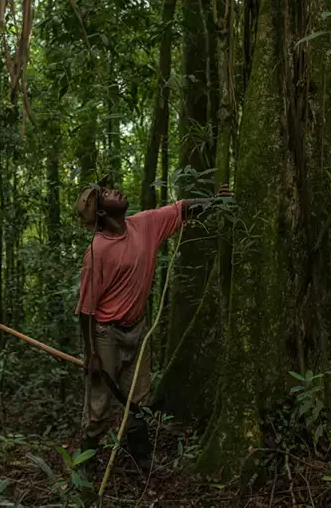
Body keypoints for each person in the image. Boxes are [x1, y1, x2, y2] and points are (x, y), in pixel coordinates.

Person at [74, 180, 233, 471]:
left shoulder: (143, 224)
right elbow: (85, 311)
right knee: (99, 405)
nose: (116, 190)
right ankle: (83, 466)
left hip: (138, 328)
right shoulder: (97, 252)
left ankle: (142, 461)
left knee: (139, 398)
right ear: (100, 213)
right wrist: (91, 354)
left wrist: (215, 202)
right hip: (106, 334)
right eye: (107, 194)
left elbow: (180, 210)